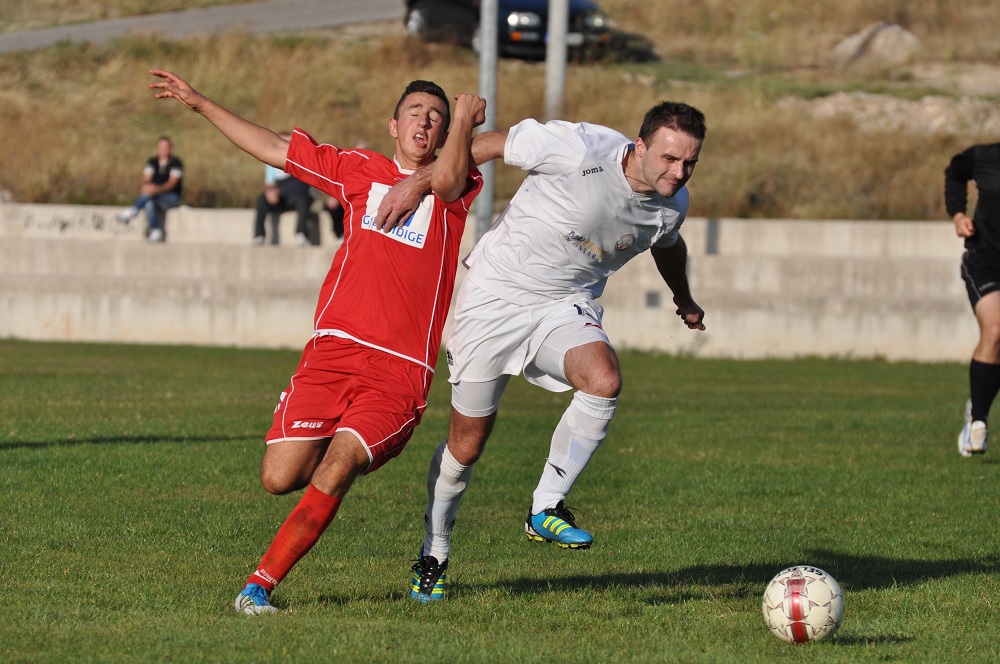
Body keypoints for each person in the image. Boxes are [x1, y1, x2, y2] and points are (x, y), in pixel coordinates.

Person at [146, 68, 486, 614]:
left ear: (446, 137)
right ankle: (336, 446)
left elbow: (477, 152)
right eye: (416, 112)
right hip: (331, 355)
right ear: (393, 125)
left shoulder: (453, 184)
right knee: (278, 476)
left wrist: (455, 135)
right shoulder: (358, 171)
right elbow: (277, 148)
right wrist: (200, 103)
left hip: (397, 372)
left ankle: (258, 587)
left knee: (338, 464)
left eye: (438, 118)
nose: (426, 121)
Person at [380, 102, 708, 602]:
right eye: (668, 158)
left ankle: (545, 507)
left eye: (689, 164)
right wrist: (419, 182)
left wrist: (683, 298)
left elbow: (667, 243)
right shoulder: (578, 146)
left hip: (563, 304)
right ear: (639, 147)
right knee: (466, 448)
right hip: (495, 296)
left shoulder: (672, 204)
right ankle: (435, 552)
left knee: (604, 380)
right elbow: (487, 145)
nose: (677, 172)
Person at [945, 141, 1000, 457]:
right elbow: (954, 173)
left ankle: (979, 402)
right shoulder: (984, 157)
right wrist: (958, 214)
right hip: (985, 260)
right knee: (995, 329)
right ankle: (977, 422)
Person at [116, 135, 184, 243]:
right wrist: (146, 186)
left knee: (149, 197)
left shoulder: (176, 163)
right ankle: (155, 230)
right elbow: (146, 178)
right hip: (154, 196)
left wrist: (156, 189)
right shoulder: (152, 162)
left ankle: (133, 210)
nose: (164, 149)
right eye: (161, 146)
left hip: (171, 197)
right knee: (149, 202)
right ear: (157, 148)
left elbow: (172, 183)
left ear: (170, 148)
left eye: (166, 146)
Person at [253, 134, 315, 246]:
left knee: (303, 199)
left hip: (296, 198)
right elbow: (269, 185)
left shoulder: (302, 161)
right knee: (262, 199)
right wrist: (271, 193)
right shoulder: (272, 163)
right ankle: (259, 235)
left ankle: (301, 234)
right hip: (280, 198)